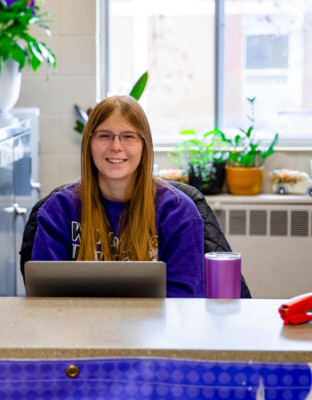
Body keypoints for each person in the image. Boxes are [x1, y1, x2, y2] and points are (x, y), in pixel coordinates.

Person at [31, 95, 205, 297]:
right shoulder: (58, 211)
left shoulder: (178, 213)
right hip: (78, 325)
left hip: (154, 328)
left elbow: (185, 301)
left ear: (144, 145)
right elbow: (45, 299)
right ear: (89, 144)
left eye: (128, 136)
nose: (116, 146)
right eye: (104, 136)